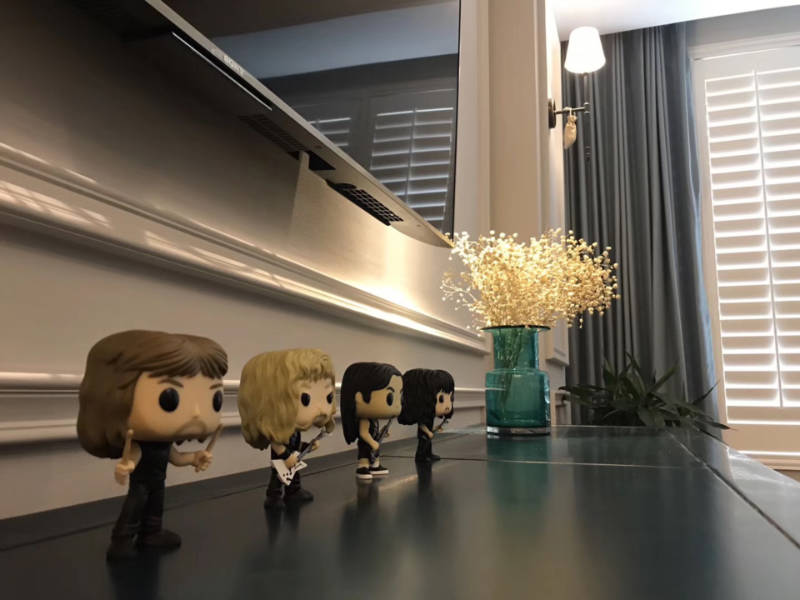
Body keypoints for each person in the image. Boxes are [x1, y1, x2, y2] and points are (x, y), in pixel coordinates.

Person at [77, 330, 228, 560]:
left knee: (156, 506)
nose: (197, 413)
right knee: (134, 507)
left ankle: (152, 533)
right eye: (169, 398)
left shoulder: (164, 444)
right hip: (141, 484)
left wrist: (195, 457)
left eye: (215, 399)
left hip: (158, 482)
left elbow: (176, 457)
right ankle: (122, 539)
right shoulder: (140, 445)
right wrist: (126, 466)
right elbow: (132, 458)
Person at [238, 349, 336, 509]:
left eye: (329, 397)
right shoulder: (279, 432)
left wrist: (306, 446)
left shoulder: (293, 431)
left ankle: (294, 492)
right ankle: (273, 497)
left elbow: (294, 444)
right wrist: (287, 456)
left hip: (292, 457)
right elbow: (277, 445)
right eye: (305, 399)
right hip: (281, 460)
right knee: (277, 478)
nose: (321, 409)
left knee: (294, 475)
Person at [340, 362, 403, 480]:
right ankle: (362, 467)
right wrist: (372, 443)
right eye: (390, 398)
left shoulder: (374, 419)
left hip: (374, 441)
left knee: (375, 455)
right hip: (367, 444)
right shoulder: (365, 420)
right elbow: (363, 433)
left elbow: (373, 430)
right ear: (359, 397)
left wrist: (381, 435)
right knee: (365, 455)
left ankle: (375, 466)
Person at [398, 369, 454, 462]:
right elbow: (421, 425)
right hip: (423, 435)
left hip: (428, 434)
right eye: (441, 399)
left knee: (428, 444)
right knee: (423, 444)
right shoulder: (423, 416)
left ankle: (428, 454)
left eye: (450, 398)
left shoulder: (430, 416)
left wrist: (432, 430)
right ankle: (421, 456)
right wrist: (428, 432)